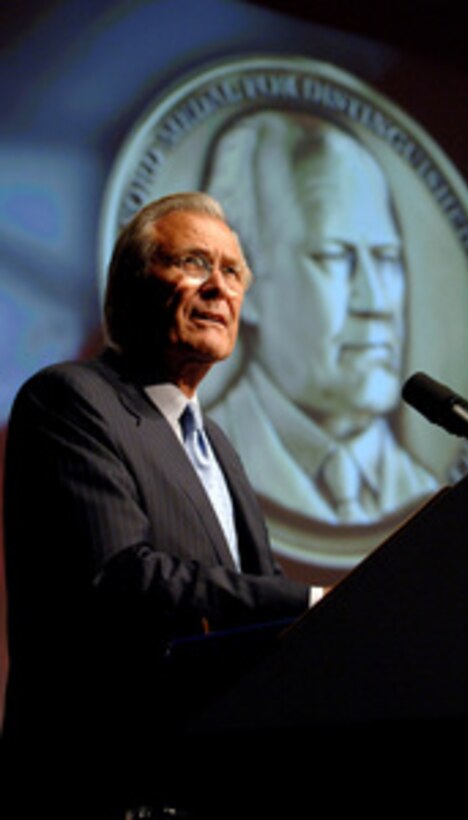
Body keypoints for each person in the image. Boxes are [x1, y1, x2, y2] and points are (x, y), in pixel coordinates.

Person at [2, 192, 320, 817]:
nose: (218, 288)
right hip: (98, 784)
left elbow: (254, 592)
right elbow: (122, 576)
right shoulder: (71, 399)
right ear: (130, 286)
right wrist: (309, 603)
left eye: (232, 272)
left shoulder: (218, 446)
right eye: (195, 263)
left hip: (202, 784)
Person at [203, 111, 438, 528]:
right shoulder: (196, 461)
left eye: (386, 259)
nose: (377, 302)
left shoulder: (428, 494)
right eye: (334, 257)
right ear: (243, 284)